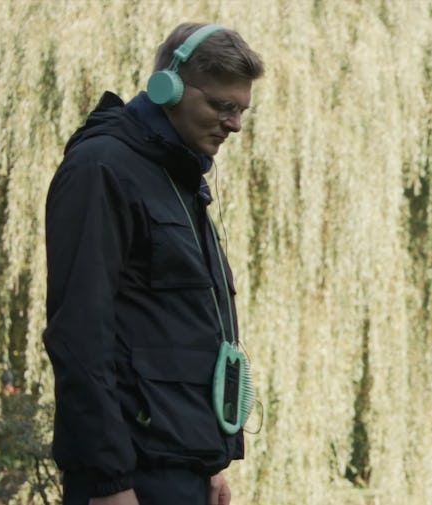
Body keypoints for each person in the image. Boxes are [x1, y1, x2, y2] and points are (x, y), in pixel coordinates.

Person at [43, 22, 264, 505]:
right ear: (168, 88)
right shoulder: (102, 169)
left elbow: (175, 328)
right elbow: (80, 334)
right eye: (222, 106)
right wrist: (107, 483)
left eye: (242, 110)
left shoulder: (174, 174)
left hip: (179, 470)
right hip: (132, 479)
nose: (235, 125)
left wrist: (208, 463)